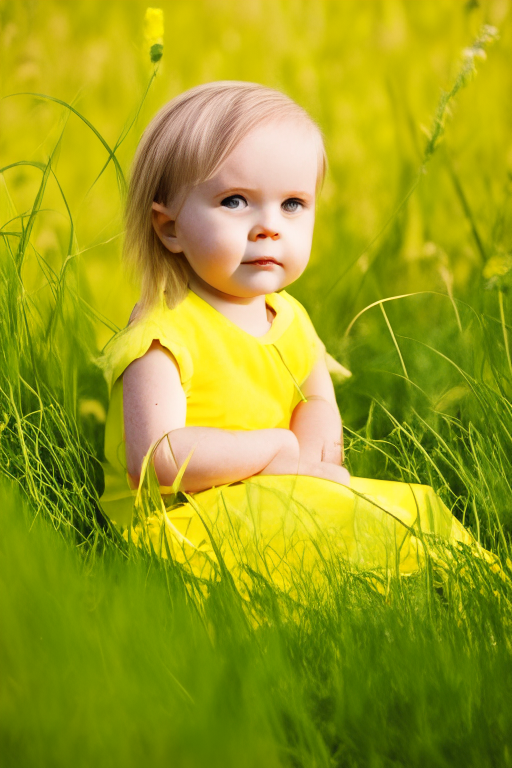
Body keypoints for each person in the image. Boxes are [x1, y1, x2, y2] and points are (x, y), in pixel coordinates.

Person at [98, 81, 488, 592]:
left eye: (293, 204)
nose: (269, 227)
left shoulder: (290, 318)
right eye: (235, 201)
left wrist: (308, 466)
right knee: (311, 559)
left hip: (274, 490)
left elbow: (317, 403)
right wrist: (274, 450)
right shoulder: (163, 333)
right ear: (170, 229)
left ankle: (461, 594)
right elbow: (155, 461)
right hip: (186, 521)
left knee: (410, 514)